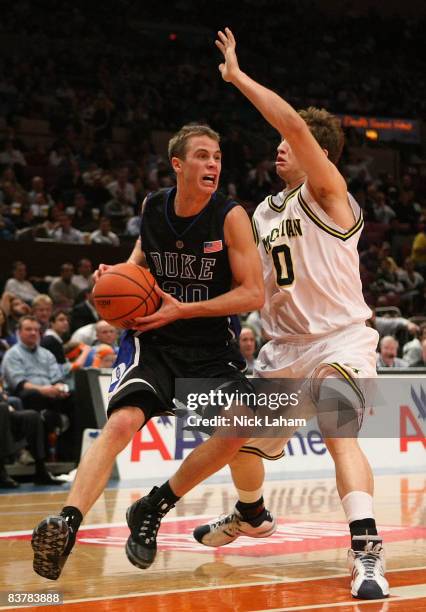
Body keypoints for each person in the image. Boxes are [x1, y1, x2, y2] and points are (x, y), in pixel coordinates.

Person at [193, 29, 389, 601]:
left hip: (340, 341)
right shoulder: (263, 211)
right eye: (277, 140)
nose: (279, 145)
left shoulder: (330, 194)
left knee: (338, 431)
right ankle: (251, 515)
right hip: (282, 349)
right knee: (239, 444)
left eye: (289, 140)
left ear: (316, 155)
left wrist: (236, 77)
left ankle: (365, 553)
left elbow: (297, 129)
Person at [31, 123, 264, 581]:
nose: (213, 164)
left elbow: (253, 293)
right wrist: (116, 273)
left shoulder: (231, 215)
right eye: (202, 156)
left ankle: (153, 506)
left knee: (240, 432)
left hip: (209, 346)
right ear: (177, 164)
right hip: (153, 338)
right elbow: (140, 259)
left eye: (217, 157)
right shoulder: (153, 206)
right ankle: (67, 524)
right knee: (120, 421)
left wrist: (184, 309)